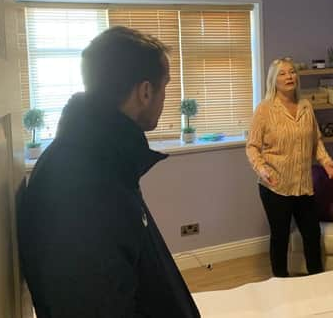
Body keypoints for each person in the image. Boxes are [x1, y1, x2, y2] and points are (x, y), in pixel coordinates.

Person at [18, 26, 200, 318]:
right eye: (164, 87)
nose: (165, 99)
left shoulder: (101, 157)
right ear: (145, 91)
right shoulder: (81, 185)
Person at [246, 57, 333, 277]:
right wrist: (261, 168)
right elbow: (252, 147)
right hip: (274, 185)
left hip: (303, 185)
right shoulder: (264, 109)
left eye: (292, 72)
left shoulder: (306, 105)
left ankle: (316, 279)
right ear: (273, 80)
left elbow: (316, 140)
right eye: (282, 73)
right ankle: (281, 282)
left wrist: (326, 162)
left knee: (311, 233)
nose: (289, 77)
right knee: (280, 237)